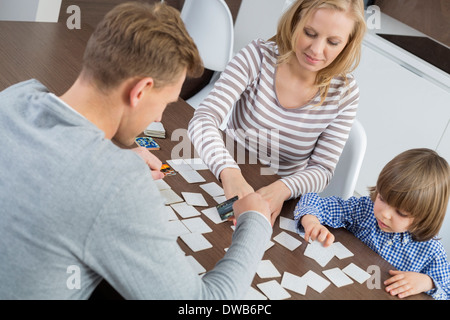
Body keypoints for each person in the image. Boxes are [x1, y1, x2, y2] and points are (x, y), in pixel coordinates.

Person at [0, 2, 273, 299]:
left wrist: (107, 159)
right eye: (165, 103)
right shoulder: (118, 183)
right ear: (140, 91)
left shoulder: (16, 97)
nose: (158, 119)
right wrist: (254, 223)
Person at [188, 0, 367, 224]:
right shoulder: (257, 56)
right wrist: (229, 172)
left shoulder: (345, 93)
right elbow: (203, 119)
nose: (316, 50)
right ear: (295, 22)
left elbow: (322, 169)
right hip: (224, 170)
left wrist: (282, 189)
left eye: (332, 42)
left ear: (348, 44)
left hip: (281, 194)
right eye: (310, 33)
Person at [294, 148, 450, 300]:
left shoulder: (430, 251)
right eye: (382, 199)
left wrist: (428, 283)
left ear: (423, 218)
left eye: (401, 213)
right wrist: (311, 221)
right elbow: (313, 201)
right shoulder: (365, 209)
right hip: (338, 289)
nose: (385, 214)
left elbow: (447, 290)